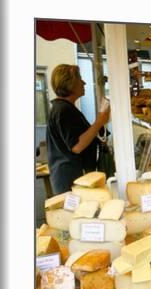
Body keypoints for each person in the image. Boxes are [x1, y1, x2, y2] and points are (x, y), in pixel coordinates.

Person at [46, 64, 110, 194]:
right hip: (70, 180)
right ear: (70, 83)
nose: (84, 82)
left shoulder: (65, 108)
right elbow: (77, 146)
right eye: (80, 78)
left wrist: (101, 123)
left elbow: (84, 137)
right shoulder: (63, 110)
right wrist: (99, 122)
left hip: (73, 177)